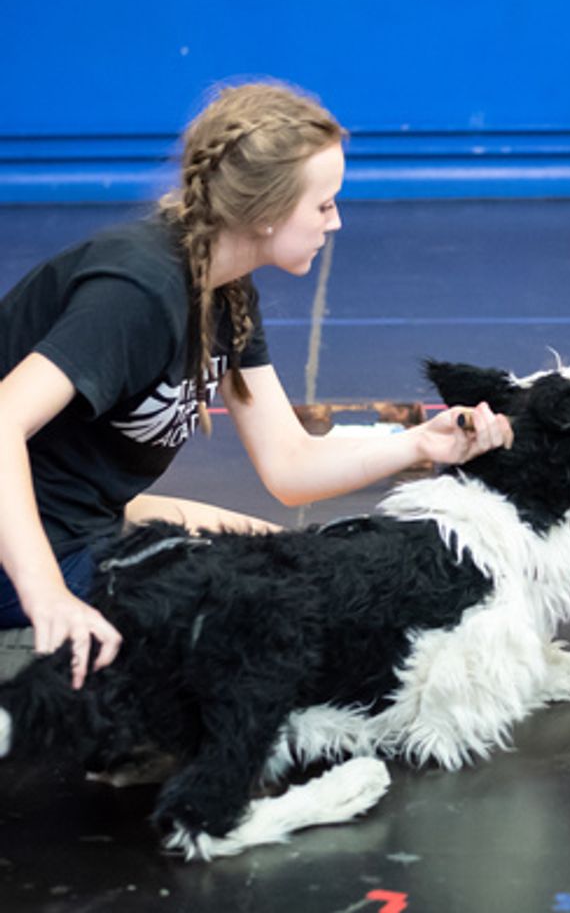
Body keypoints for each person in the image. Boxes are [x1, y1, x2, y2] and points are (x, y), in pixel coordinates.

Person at [0, 81, 512, 690]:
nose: (336, 221)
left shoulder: (225, 288)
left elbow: (289, 466)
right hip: (35, 547)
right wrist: (48, 595)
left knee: (309, 569)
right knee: (282, 620)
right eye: (323, 205)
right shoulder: (137, 290)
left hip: (86, 519)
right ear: (266, 213)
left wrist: (422, 446)